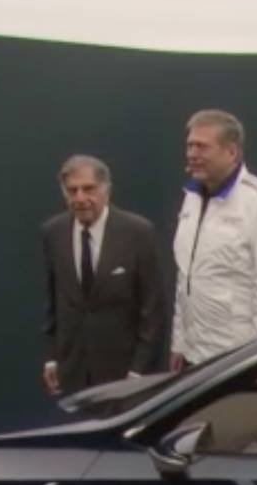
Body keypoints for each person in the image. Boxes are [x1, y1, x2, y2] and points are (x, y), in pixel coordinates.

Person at [169, 110, 257, 372]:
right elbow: (185, 276)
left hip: (235, 361)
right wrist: (179, 341)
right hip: (192, 356)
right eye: (190, 146)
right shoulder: (191, 197)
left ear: (231, 152)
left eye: (202, 147)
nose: (192, 154)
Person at [39, 154, 165, 396]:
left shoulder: (138, 233)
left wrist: (139, 371)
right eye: (72, 190)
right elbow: (53, 301)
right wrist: (51, 358)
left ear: (106, 190)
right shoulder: (53, 232)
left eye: (88, 189)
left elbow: (153, 311)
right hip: (73, 372)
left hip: (124, 375)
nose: (80, 198)